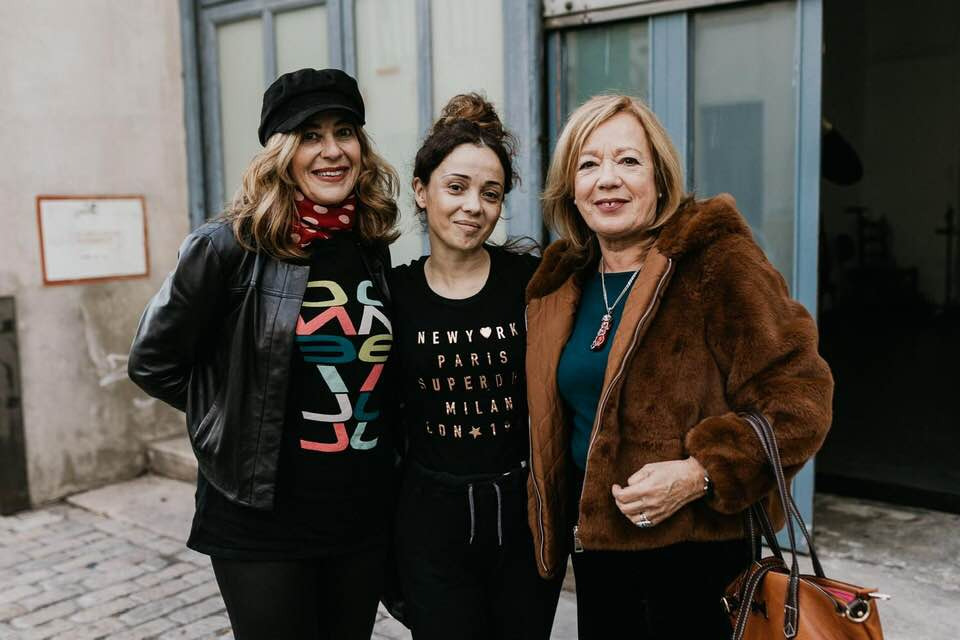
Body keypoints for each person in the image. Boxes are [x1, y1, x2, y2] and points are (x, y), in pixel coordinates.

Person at [525, 94, 834, 638]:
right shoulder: (562, 280)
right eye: (588, 163)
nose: (608, 179)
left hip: (698, 560)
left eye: (628, 160)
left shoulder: (715, 262)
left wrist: (701, 472)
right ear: (570, 189)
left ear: (660, 178)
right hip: (598, 556)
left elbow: (801, 400)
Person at [128, 68, 400, 640]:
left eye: (344, 132)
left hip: (359, 515)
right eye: (309, 135)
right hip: (261, 519)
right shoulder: (227, 246)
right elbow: (152, 361)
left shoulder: (369, 244)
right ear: (280, 152)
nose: (332, 151)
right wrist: (233, 413)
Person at [389, 93, 562, 640]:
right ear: (422, 190)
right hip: (428, 518)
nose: (473, 207)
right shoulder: (391, 294)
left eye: (490, 194)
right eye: (456, 187)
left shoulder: (534, 283)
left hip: (521, 514)